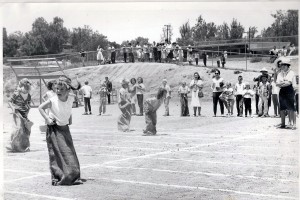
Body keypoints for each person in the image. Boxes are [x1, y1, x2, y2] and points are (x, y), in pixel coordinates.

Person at [38, 75, 81, 186]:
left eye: (61, 89)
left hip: (65, 128)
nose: (58, 91)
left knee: (69, 151)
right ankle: (59, 176)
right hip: (54, 128)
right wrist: (47, 118)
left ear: (68, 90)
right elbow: (40, 108)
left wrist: (69, 119)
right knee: (57, 152)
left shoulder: (71, 97)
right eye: (57, 88)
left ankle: (74, 175)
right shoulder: (52, 100)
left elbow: (68, 108)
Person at [6, 78, 33, 152]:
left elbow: (28, 104)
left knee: (27, 129)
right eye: (25, 87)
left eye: (28, 88)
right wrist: (13, 108)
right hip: (17, 112)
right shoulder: (16, 94)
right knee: (18, 128)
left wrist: (28, 110)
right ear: (21, 86)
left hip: (24, 114)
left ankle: (24, 146)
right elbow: (9, 101)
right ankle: (9, 143)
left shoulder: (29, 95)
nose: (26, 89)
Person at [276, 58, 296, 129]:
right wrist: (284, 82)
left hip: (289, 90)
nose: (283, 66)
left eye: (284, 65)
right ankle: (283, 123)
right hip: (282, 91)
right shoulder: (280, 74)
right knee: (282, 108)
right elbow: (277, 84)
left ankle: (294, 124)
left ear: (288, 66)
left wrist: (281, 83)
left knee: (291, 107)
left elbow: (289, 83)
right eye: (282, 65)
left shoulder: (291, 73)